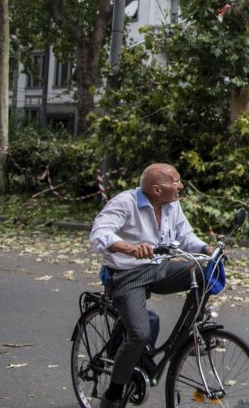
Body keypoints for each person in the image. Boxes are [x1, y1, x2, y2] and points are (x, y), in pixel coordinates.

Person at [88, 163, 213, 408]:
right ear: (156, 189)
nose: (180, 185)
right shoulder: (125, 202)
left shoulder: (171, 205)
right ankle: (112, 394)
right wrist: (130, 247)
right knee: (140, 334)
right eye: (175, 181)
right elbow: (99, 234)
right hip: (127, 275)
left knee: (203, 271)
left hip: (159, 268)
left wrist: (205, 248)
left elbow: (185, 236)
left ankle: (194, 325)